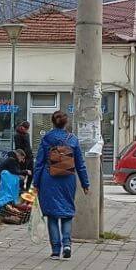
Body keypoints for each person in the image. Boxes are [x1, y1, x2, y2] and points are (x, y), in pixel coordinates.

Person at [31, 111, 90, 260]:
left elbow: (39, 163)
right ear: (66, 123)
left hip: (48, 179)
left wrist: (35, 183)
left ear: (52, 122)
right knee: (67, 213)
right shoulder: (73, 139)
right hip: (68, 179)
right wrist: (85, 183)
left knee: (51, 215)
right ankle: (67, 244)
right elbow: (80, 164)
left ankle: (56, 250)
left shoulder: (46, 138)